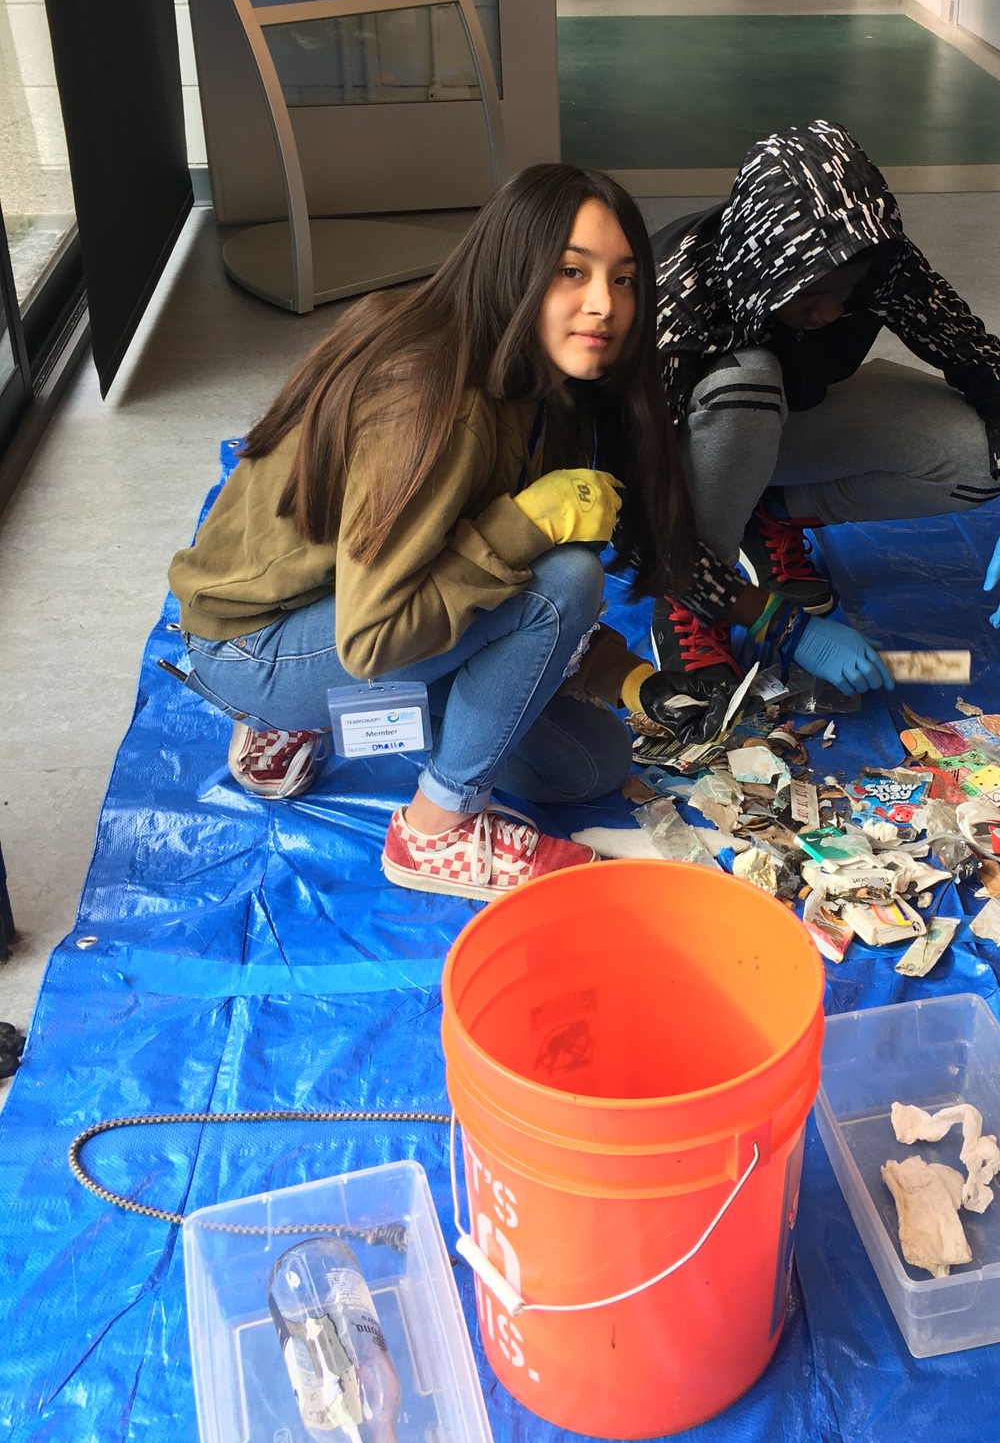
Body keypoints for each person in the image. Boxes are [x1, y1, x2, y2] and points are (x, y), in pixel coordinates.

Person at [168, 164, 708, 898]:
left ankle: (314, 717)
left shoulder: (546, 383)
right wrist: (525, 525)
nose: (602, 305)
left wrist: (620, 673)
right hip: (261, 640)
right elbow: (372, 640)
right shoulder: (435, 401)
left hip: (361, 601)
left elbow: (469, 567)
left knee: (590, 765)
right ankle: (434, 830)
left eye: (623, 280)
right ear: (513, 270)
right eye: (570, 272)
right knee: (566, 578)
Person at [647, 121, 1000, 696]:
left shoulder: (879, 261)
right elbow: (638, 516)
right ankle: (691, 606)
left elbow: (978, 355)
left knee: (978, 459)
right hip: (687, 464)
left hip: (793, 422)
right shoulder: (673, 295)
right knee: (749, 380)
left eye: (849, 290)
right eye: (813, 295)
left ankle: (771, 513)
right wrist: (788, 631)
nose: (833, 312)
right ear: (761, 265)